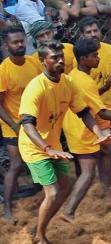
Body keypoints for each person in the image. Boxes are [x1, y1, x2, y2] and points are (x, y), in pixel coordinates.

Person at [19, 41, 111, 244]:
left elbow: (84, 113)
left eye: (61, 57)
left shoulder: (67, 82)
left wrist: (100, 135)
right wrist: (47, 148)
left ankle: (38, 229)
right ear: (42, 61)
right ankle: (40, 240)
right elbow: (27, 124)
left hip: (53, 145)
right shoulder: (35, 88)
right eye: (54, 58)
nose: (60, 61)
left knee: (66, 186)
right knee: (54, 192)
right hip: (35, 147)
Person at [61, 38, 111, 221]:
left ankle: (105, 188)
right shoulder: (85, 81)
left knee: (104, 152)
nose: (98, 58)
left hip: (74, 126)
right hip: (83, 130)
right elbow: (103, 113)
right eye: (94, 56)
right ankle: (69, 211)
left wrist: (104, 88)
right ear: (83, 59)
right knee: (88, 172)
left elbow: (88, 97)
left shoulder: (74, 75)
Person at [78, 16, 111, 187]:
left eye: (95, 30)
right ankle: (105, 183)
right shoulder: (82, 59)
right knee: (105, 149)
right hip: (98, 111)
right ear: (82, 35)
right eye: (88, 32)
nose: (93, 34)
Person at [0, 26, 41, 223]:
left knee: (39, 160)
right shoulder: (3, 71)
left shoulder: (34, 63)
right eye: (15, 42)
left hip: (33, 122)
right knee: (16, 165)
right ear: (6, 46)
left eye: (21, 41)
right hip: (13, 125)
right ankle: (7, 208)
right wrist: (15, 127)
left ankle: (40, 196)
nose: (20, 45)